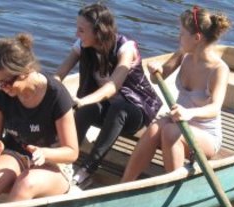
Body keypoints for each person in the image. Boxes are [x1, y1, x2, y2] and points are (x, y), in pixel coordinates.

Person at [0, 33, 78, 207]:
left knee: (25, 183)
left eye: (6, 82)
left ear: (25, 71)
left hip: (53, 163)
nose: (2, 88)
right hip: (15, 154)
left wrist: (44, 153)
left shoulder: (57, 95)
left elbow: (71, 152)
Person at [55, 3, 162, 187]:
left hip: (135, 109)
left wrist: (81, 101)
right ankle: (65, 159)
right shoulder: (83, 45)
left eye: (81, 30)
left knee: (117, 108)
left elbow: (113, 87)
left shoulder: (125, 49)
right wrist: (44, 89)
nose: (76, 34)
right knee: (88, 109)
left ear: (99, 32)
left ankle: (87, 169)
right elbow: (59, 75)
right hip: (107, 107)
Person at [121, 6, 232, 182]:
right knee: (154, 129)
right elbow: (158, 78)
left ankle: (174, 186)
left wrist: (189, 113)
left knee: (171, 131)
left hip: (206, 135)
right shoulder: (183, 54)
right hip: (178, 121)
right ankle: (125, 183)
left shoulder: (219, 69)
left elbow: (215, 108)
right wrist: (156, 70)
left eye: (182, 34)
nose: (178, 37)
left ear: (197, 38)